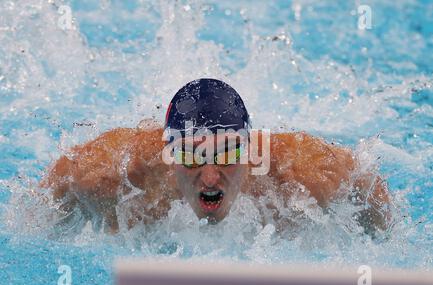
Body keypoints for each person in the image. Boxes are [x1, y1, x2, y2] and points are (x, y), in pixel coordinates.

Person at [40, 78, 391, 235]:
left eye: (227, 155)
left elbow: (363, 176)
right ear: (169, 155)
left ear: (251, 152)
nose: (209, 177)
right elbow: (52, 190)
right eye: (191, 157)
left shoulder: (302, 176)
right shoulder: (114, 177)